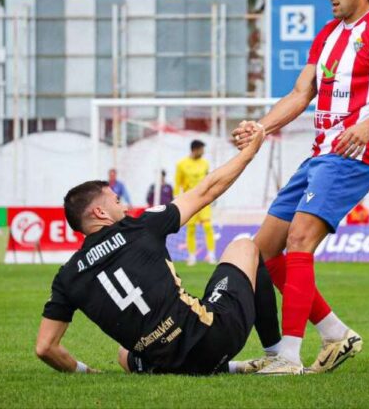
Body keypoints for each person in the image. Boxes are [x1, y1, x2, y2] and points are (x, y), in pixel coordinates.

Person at [231, 0, 369, 375]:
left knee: (299, 241)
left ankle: (288, 357)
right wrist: (261, 126)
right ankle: (334, 333)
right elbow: (301, 94)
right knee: (263, 253)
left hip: (352, 158)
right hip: (317, 157)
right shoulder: (328, 35)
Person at [34, 125, 267, 375]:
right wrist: (249, 153)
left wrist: (88, 373)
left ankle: (223, 368)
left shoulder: (67, 277)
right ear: (100, 213)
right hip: (214, 340)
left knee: (124, 355)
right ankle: (277, 354)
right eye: (117, 201)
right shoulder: (138, 227)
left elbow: (45, 348)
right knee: (245, 246)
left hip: (165, 363)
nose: (123, 207)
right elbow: (206, 190)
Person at [175, 140, 216, 266]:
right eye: (202, 149)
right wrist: (176, 200)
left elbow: (209, 180)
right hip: (190, 200)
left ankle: (211, 255)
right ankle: (191, 256)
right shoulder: (182, 164)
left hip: (205, 199)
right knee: (191, 229)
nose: (203, 152)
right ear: (195, 149)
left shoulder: (205, 163)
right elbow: (178, 183)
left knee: (208, 227)